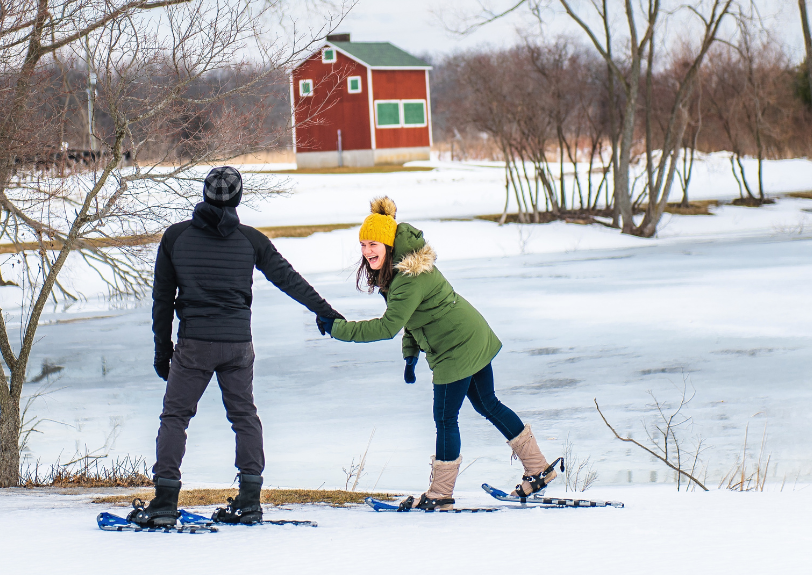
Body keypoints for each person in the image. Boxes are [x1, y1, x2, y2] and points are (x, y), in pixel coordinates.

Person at [129, 166, 344, 527]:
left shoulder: (176, 237)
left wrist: (161, 351)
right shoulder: (250, 239)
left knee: (175, 418)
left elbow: (162, 300)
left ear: (204, 194)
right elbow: (289, 280)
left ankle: (165, 502)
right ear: (238, 199)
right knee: (244, 418)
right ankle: (249, 502)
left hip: (194, 344)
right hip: (238, 346)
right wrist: (328, 313)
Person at [317, 196, 561, 511]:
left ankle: (440, 493)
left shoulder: (406, 278)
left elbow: (389, 325)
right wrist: (410, 355)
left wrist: (338, 328)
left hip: (456, 346)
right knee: (488, 403)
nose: (367, 251)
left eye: (373, 243)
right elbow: (413, 319)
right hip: (471, 334)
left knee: (446, 418)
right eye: (363, 244)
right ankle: (539, 468)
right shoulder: (401, 269)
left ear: (390, 243)